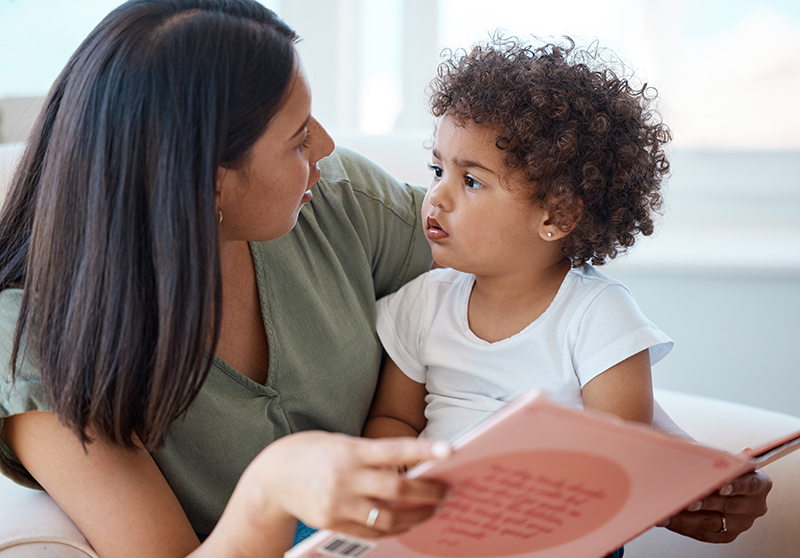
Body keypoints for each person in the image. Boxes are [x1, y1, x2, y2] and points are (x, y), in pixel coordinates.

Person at [0, 2, 770, 557]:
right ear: (203, 184)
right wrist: (274, 488)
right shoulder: (33, 350)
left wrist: (673, 466)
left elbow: (528, 301)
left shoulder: (339, 202)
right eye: (299, 138)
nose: (329, 147)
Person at [363, 34, 770, 548]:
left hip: (555, 531)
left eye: (471, 182)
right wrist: (400, 481)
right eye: (438, 169)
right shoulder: (423, 302)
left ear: (556, 215)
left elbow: (620, 455)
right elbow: (394, 417)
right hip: (442, 529)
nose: (435, 196)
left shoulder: (599, 315)